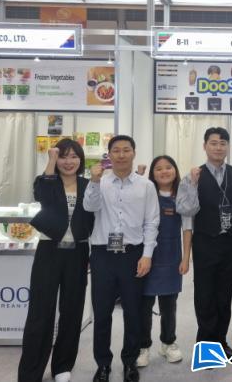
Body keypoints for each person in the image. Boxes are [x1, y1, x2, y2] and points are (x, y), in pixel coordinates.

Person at [83, 135, 160, 382]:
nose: (121, 155)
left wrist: (147, 255)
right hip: (103, 255)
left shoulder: (146, 186)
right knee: (102, 312)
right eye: (116, 150)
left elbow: (152, 222)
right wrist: (94, 181)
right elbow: (89, 207)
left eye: (126, 150)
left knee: (133, 312)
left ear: (134, 153)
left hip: (133, 255)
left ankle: (129, 362)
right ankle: (103, 364)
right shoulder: (100, 182)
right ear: (109, 155)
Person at [18, 140, 94, 382]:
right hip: (49, 250)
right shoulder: (46, 181)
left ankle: (62, 366)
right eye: (63, 156)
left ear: (81, 159)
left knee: (72, 310)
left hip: (78, 252)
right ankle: (31, 371)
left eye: (74, 156)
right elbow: (43, 196)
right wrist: (50, 158)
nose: (68, 161)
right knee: (40, 311)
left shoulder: (88, 185)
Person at [175, 127, 232, 356]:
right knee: (204, 296)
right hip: (204, 243)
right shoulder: (193, 175)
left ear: (228, 147)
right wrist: (193, 185)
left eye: (223, 143)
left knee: (224, 296)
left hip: (229, 243)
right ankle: (206, 346)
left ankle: (221, 340)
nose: (218, 147)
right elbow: (186, 211)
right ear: (204, 146)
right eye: (213, 143)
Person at [137, 155, 192, 368]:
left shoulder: (181, 196)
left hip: (171, 256)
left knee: (169, 305)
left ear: (175, 171)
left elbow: (187, 229)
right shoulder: (146, 192)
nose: (164, 171)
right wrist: (138, 175)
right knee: (144, 305)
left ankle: (168, 343)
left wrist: (186, 258)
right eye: (158, 168)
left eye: (168, 167)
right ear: (153, 173)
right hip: (147, 256)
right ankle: (143, 346)